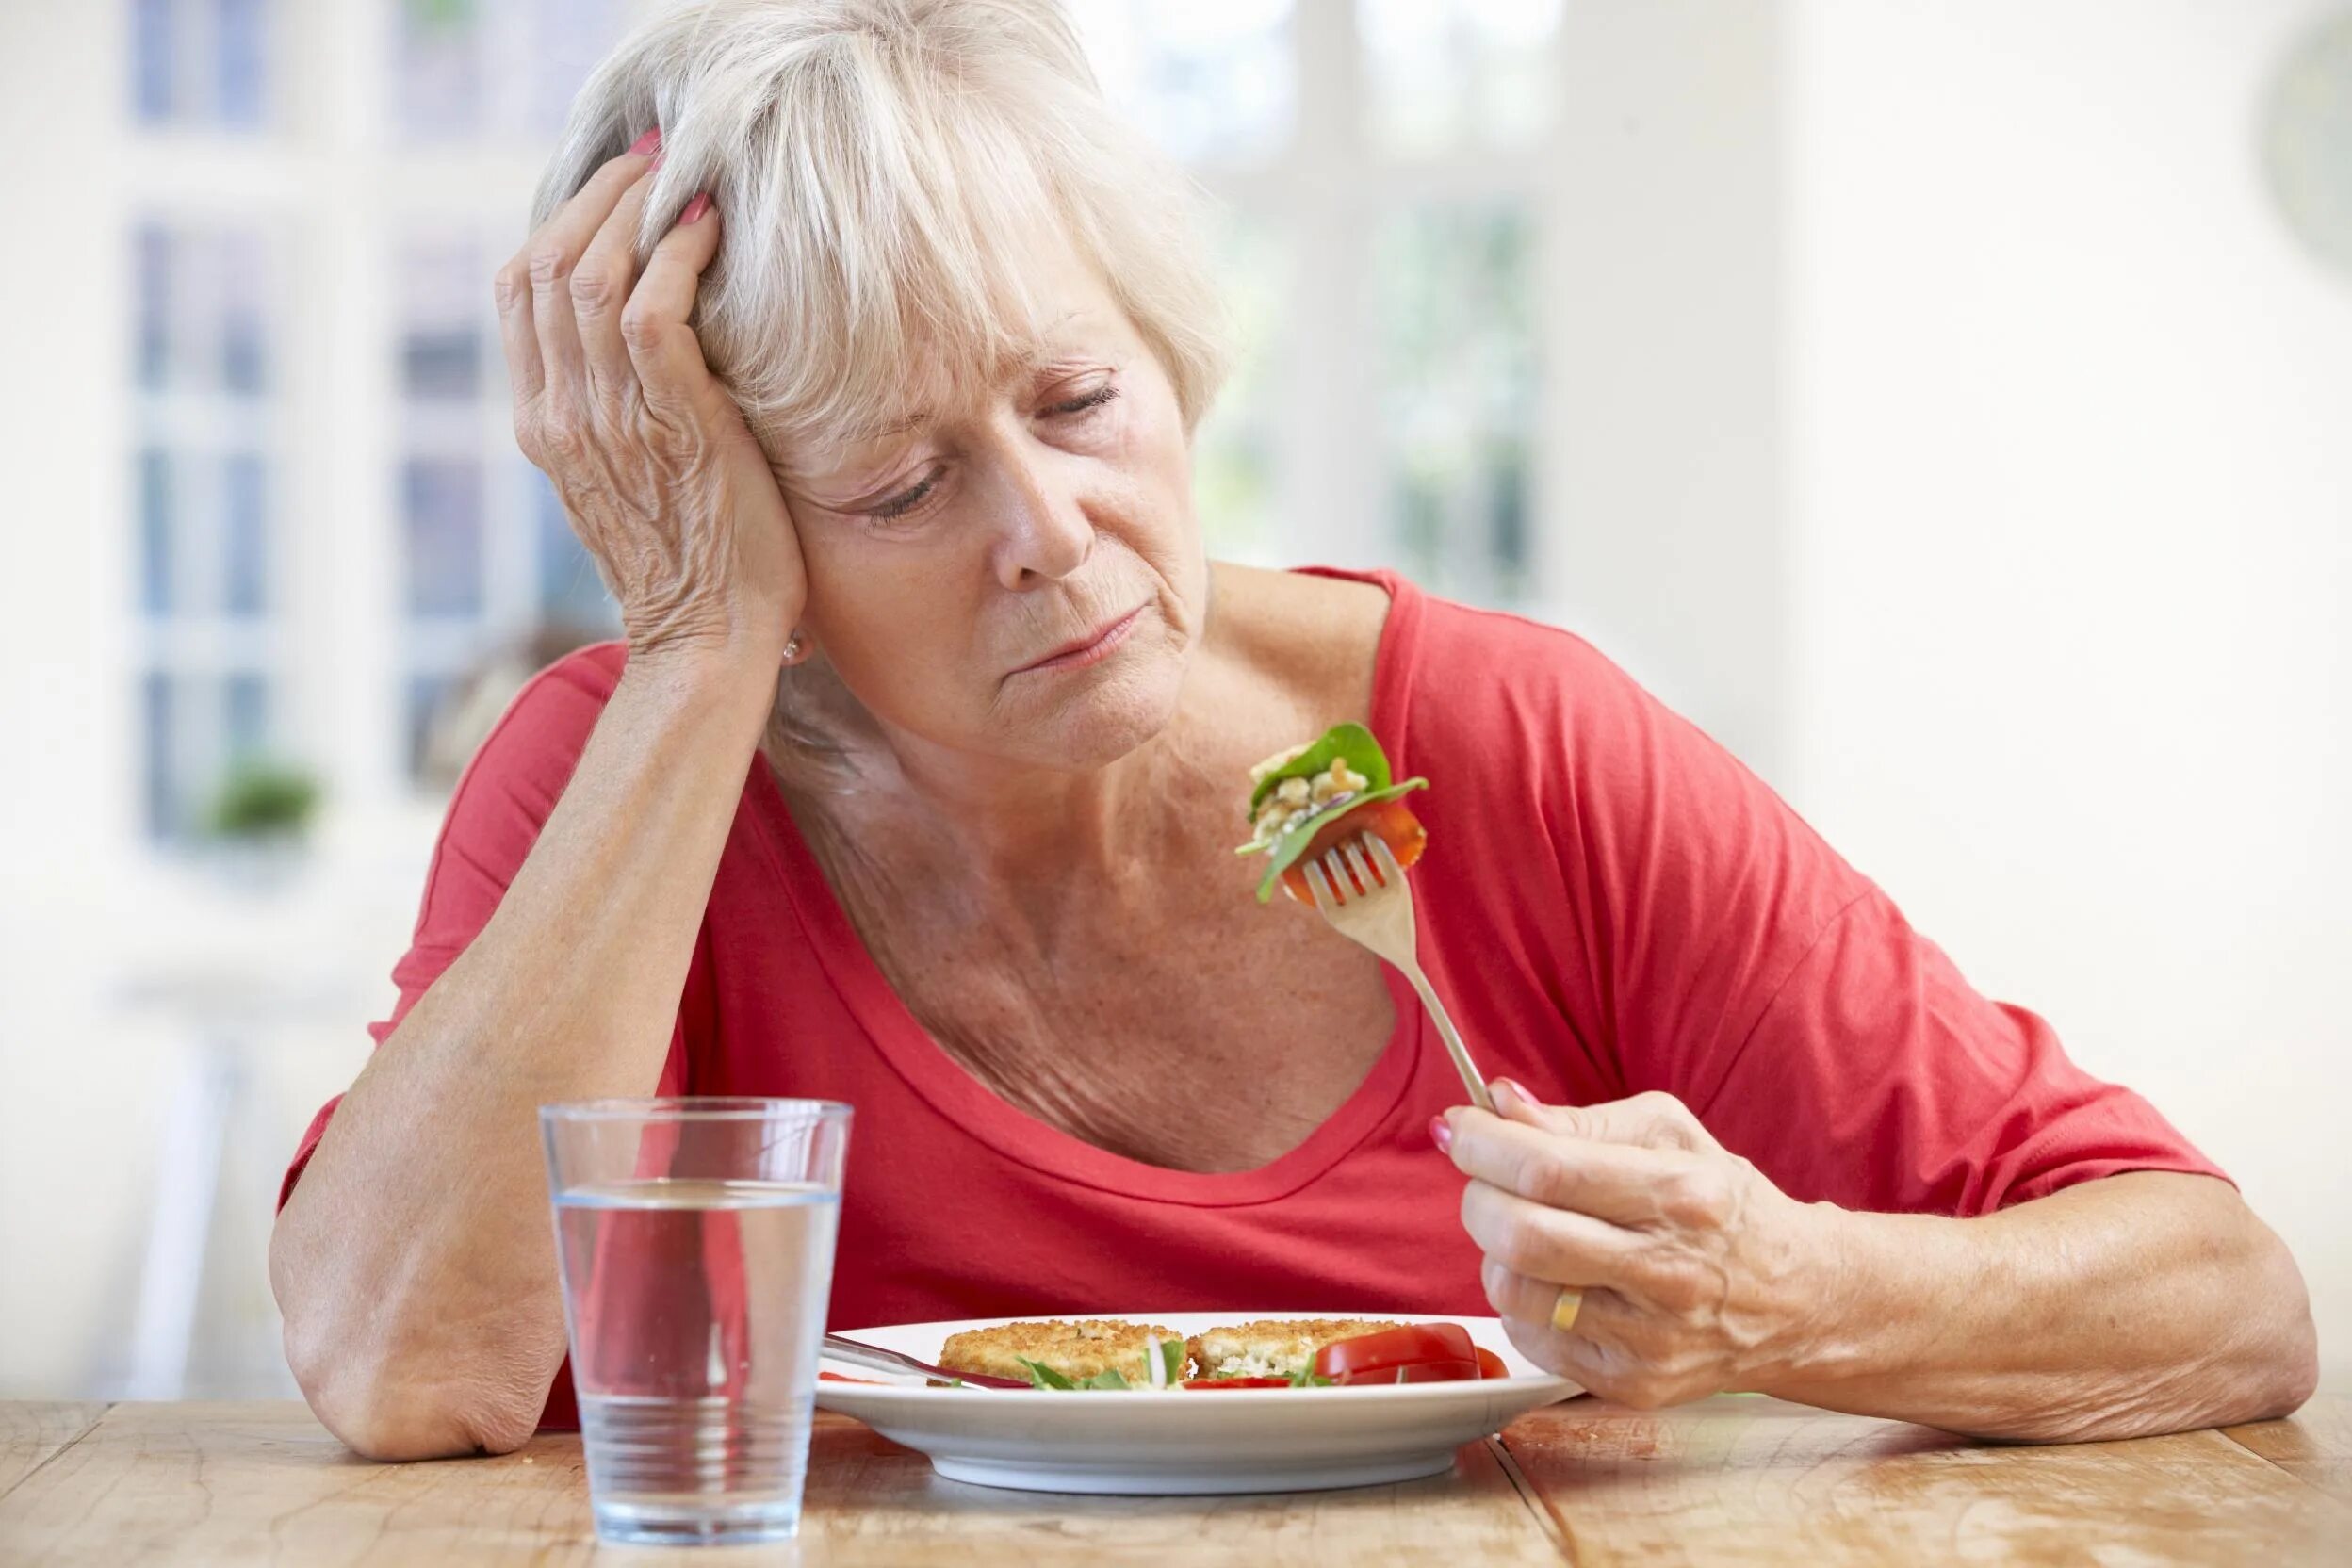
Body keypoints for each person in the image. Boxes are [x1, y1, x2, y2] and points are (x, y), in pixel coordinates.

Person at [269, 0, 2315, 1461]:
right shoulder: (628, 772)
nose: (1052, 536)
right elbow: (398, 1368)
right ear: (739, 523)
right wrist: (704, 643)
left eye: (1076, 403)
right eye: (900, 490)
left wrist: (1792, 1293)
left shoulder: (1507, 748)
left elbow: (2225, 1298)